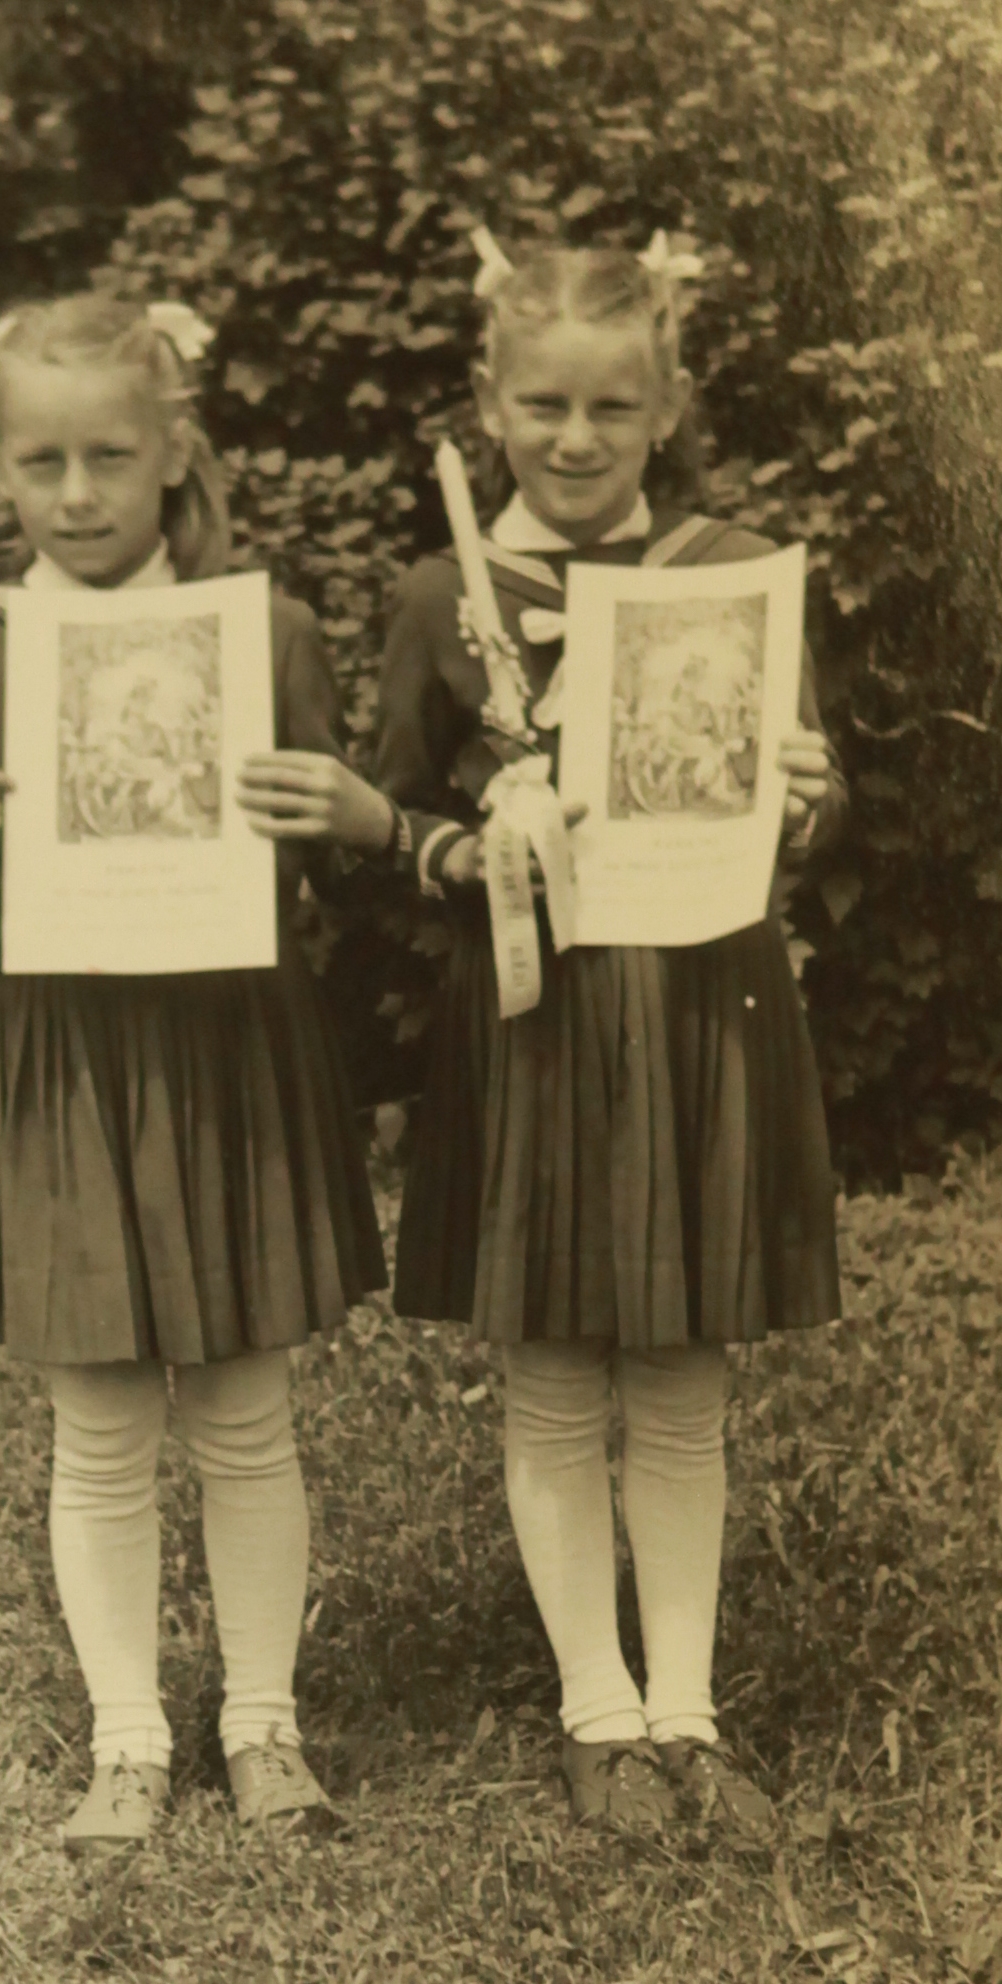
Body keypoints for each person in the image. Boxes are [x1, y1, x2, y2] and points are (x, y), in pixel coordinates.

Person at [240, 233, 845, 1837]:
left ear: (666, 409)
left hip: (699, 1012)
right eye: (543, 406)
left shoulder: (732, 571)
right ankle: (597, 1711)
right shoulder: (439, 596)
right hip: (537, 1025)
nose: (575, 440)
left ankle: (688, 1713)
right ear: (488, 404)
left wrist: (809, 794)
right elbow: (384, 829)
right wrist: (454, 841)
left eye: (611, 408)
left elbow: (801, 811)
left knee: (684, 1367)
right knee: (556, 1371)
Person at [0, 289, 388, 1856]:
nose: (76, 494)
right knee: (97, 1425)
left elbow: (340, 863)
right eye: (41, 462)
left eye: (108, 456)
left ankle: (265, 1727)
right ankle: (127, 1739)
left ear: (172, 451)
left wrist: (333, 813)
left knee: (243, 1414)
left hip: (227, 1052)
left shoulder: (262, 633)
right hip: (69, 1064)